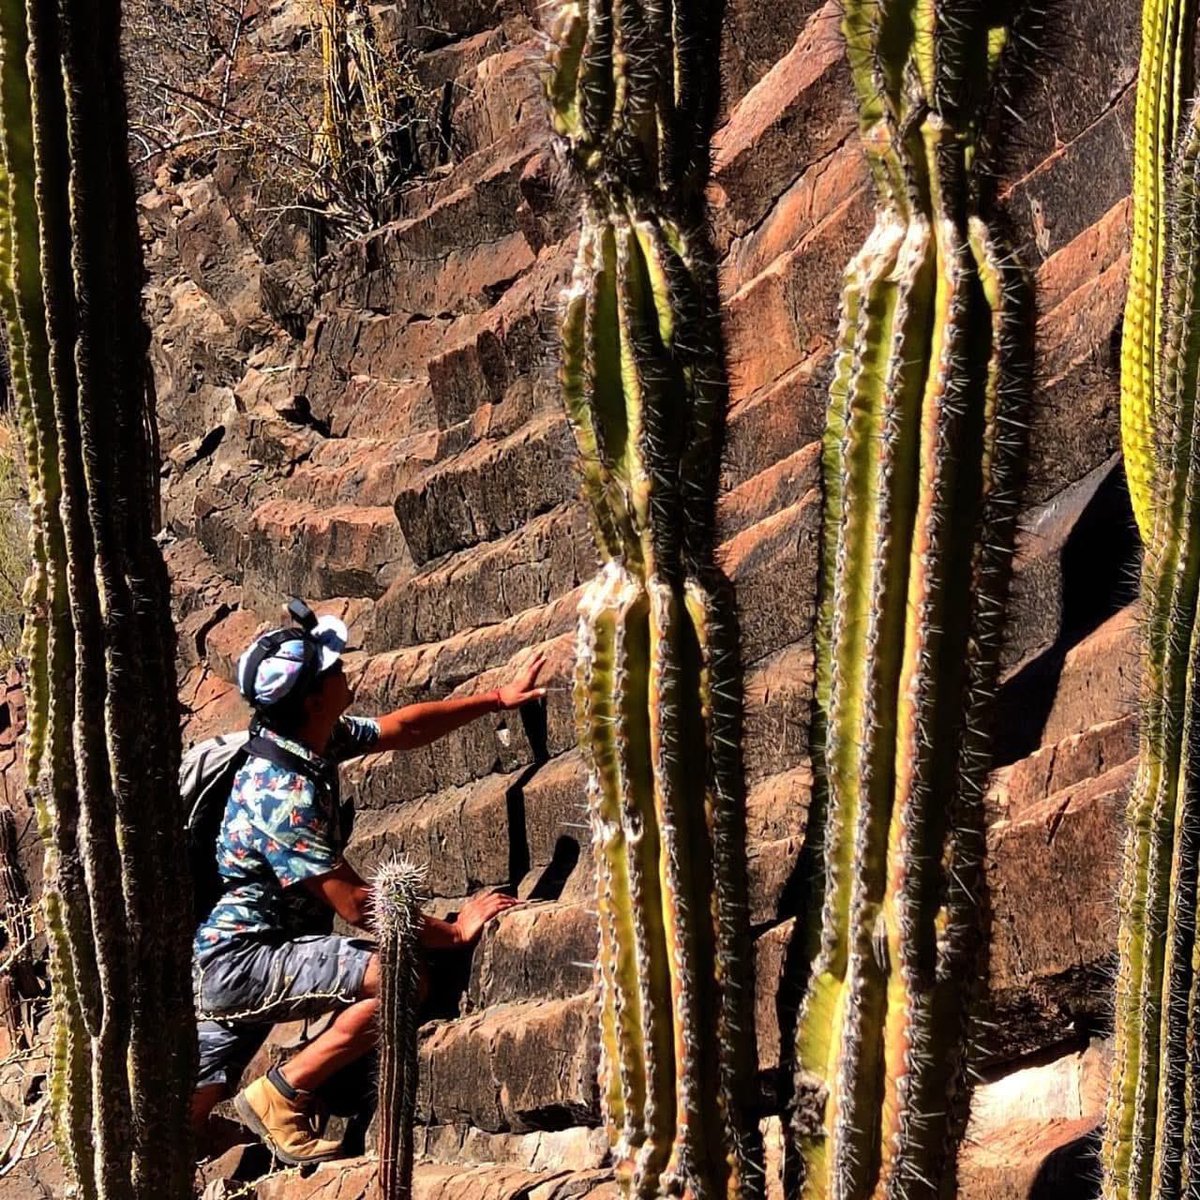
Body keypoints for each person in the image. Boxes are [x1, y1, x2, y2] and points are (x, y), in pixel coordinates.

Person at [189, 604, 546, 1164]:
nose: (344, 670)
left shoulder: (303, 738)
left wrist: (497, 699)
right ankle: (282, 1092)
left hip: (232, 956)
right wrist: (454, 933)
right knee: (402, 976)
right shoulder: (280, 793)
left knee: (185, 1114)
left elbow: (402, 728)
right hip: (246, 960)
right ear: (312, 699)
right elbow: (357, 905)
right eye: (332, 669)